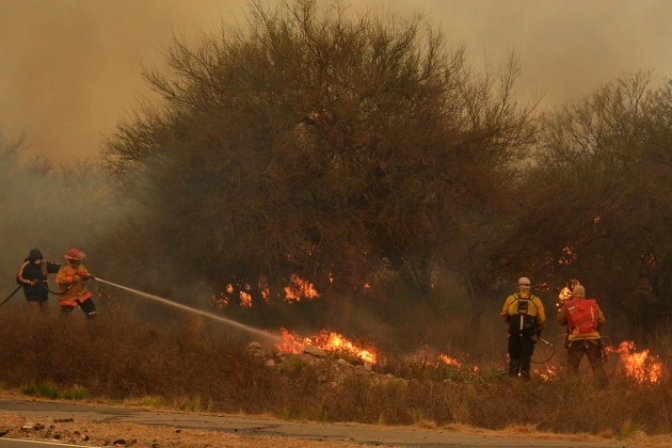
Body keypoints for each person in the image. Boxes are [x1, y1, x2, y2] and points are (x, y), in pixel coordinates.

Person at [557, 284, 608, 387]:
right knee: (597, 366)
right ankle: (603, 389)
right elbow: (602, 320)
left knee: (572, 367)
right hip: (592, 340)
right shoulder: (593, 305)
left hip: (575, 341)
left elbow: (561, 321)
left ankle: (571, 388)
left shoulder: (568, 305)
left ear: (573, 294)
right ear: (584, 294)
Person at [500, 276, 546, 379]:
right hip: (528, 338)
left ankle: (512, 385)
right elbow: (542, 320)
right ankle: (524, 387)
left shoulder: (511, 299)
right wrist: (537, 333)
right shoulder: (536, 300)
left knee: (514, 362)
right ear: (529, 287)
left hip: (514, 337)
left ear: (518, 286)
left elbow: (503, 314)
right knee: (525, 363)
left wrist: (510, 322)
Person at [55, 248, 98, 319]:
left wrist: (88, 275)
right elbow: (59, 280)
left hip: (81, 293)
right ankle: (59, 329)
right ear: (72, 260)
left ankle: (94, 326)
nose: (79, 261)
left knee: (92, 312)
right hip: (69, 295)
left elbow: (84, 273)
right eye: (77, 260)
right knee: (62, 318)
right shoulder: (64, 268)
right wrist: (73, 278)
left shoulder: (81, 267)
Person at [16, 248, 61, 313]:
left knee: (47, 314)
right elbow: (19, 279)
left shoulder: (44, 264)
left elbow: (54, 267)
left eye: (39, 259)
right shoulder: (26, 266)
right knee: (36, 314)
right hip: (32, 295)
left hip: (43, 294)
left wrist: (65, 267)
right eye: (36, 260)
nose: (38, 261)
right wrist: (30, 283)